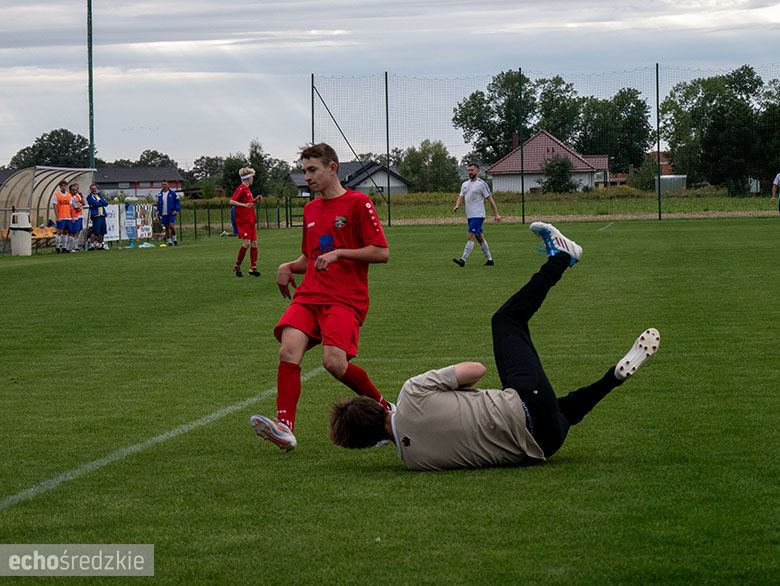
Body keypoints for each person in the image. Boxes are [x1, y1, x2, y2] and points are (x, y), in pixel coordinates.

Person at [329, 222, 661, 471]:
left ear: (369, 443)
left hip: (544, 445)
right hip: (526, 405)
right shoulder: (411, 393)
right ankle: (561, 258)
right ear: (379, 406)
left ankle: (613, 378)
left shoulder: (415, 461)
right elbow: (477, 369)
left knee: (564, 409)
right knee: (505, 322)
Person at [250, 143, 391, 451]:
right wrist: (288, 266)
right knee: (288, 351)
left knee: (334, 364)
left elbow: (382, 253)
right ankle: (285, 427)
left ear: (332, 168)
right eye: (303, 171)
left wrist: (341, 254)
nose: (307, 177)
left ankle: (386, 409)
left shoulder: (358, 203)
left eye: (312, 170)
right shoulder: (310, 209)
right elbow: (310, 257)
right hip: (310, 295)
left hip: (345, 298)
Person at [452, 163, 501, 268]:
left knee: (470, 236)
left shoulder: (482, 184)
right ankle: (490, 260)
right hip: (470, 216)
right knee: (480, 238)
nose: (470, 172)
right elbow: (461, 197)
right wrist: (457, 206)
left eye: (472, 170)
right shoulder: (465, 184)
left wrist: (496, 214)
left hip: (478, 215)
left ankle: (463, 260)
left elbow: (490, 200)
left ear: (477, 171)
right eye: (468, 170)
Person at [228, 167, 262, 277]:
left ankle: (253, 268)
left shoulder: (248, 190)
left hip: (251, 220)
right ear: (248, 178)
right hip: (244, 221)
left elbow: (248, 203)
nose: (253, 179)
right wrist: (244, 205)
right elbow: (232, 201)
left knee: (254, 243)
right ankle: (237, 266)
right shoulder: (241, 188)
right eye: (252, 177)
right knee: (247, 243)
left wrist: (255, 200)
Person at [156, 181, 180, 246]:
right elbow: (158, 204)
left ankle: (175, 240)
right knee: (166, 227)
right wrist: (158, 211)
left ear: (168, 185)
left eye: (165, 184)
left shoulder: (173, 193)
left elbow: (177, 202)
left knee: (171, 226)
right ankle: (169, 242)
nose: (164, 186)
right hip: (163, 213)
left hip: (171, 213)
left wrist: (176, 210)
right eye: (163, 184)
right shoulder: (159, 195)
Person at [86, 183, 109, 250]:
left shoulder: (99, 195)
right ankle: (91, 244)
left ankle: (100, 244)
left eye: (95, 188)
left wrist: (100, 201)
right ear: (90, 189)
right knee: (95, 231)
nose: (94, 190)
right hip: (96, 216)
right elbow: (95, 204)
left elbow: (106, 203)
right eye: (92, 189)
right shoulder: (89, 197)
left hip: (102, 215)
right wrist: (101, 202)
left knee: (102, 231)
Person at [52, 180, 71, 253]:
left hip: (68, 216)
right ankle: (57, 247)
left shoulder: (69, 195)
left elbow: (71, 206)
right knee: (59, 232)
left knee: (66, 232)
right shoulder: (57, 195)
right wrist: (57, 217)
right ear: (59, 187)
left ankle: (64, 247)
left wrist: (72, 217)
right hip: (61, 216)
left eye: (65, 185)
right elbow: (55, 206)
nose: (63, 187)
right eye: (62, 186)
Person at [68, 183, 85, 252]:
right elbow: (77, 208)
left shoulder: (78, 195)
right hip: (74, 216)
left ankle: (75, 246)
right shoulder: (71, 198)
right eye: (73, 190)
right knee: (73, 231)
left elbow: (83, 203)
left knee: (78, 230)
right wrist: (80, 206)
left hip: (80, 215)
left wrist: (82, 197)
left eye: (76, 189)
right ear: (70, 191)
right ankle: (70, 247)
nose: (75, 191)